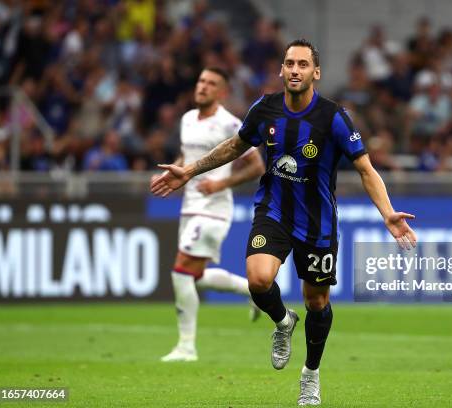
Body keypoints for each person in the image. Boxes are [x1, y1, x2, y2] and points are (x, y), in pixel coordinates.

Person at [151, 39, 417, 405]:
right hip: (273, 211)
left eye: (303, 64)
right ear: (281, 69)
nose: (295, 70)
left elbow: (366, 169)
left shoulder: (334, 117)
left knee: (317, 301)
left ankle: (310, 374)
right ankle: (282, 321)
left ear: (315, 73)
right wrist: (191, 170)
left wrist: (387, 212)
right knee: (259, 280)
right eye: (289, 63)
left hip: (318, 222)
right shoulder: (266, 108)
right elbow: (234, 146)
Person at [154, 67, 266, 362]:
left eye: (211, 83)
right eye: (201, 80)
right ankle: (253, 291)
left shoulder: (230, 124)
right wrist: (173, 171)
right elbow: (187, 158)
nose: (203, 86)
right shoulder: (187, 119)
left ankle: (186, 347)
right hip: (189, 207)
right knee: (197, 276)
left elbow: (257, 167)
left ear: (222, 92)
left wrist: (221, 182)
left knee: (180, 272)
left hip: (214, 209)